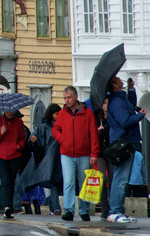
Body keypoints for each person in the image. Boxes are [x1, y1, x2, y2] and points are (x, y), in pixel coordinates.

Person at [52, 87, 100, 222]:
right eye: (65, 98)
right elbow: (55, 130)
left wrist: (94, 153)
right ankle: (68, 210)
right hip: (66, 154)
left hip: (84, 154)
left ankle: (84, 210)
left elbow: (93, 134)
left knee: (84, 183)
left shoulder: (87, 113)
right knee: (68, 182)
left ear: (76, 97)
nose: (67, 100)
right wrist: (63, 139)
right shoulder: (62, 114)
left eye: (69, 98)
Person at [106, 76, 145, 223]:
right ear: (114, 85)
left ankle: (118, 210)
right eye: (117, 79)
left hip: (127, 142)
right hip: (122, 143)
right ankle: (115, 211)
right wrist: (140, 115)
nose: (120, 79)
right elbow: (125, 120)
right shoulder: (116, 102)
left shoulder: (120, 98)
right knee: (120, 178)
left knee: (122, 178)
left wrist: (130, 89)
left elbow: (130, 105)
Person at [0, 109, 25, 219]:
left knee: (12, 181)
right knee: (5, 180)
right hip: (0, 156)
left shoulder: (19, 122)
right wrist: (1, 133)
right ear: (4, 111)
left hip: (14, 156)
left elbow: (22, 138)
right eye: (8, 111)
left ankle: (10, 206)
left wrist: (18, 146)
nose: (10, 113)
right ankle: (6, 206)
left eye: (12, 111)